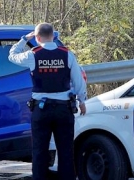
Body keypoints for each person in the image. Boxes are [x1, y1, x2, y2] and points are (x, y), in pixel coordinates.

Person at [8, 23, 87, 180]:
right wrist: (82, 100)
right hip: (64, 110)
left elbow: (12, 55)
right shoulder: (67, 54)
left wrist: (24, 39)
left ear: (37, 38)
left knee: (39, 151)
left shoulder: (32, 55)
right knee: (66, 152)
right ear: (53, 36)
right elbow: (78, 81)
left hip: (41, 110)